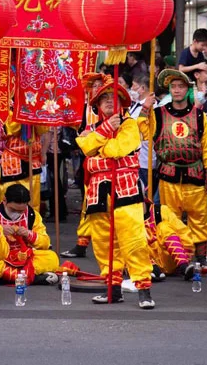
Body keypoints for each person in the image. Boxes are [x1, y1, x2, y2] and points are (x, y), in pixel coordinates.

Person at [77, 76, 155, 309]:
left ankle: (144, 289)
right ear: (97, 105)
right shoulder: (90, 128)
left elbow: (117, 149)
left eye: (115, 98)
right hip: (98, 195)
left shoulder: (130, 124)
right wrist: (104, 133)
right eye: (104, 99)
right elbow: (86, 148)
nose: (110, 103)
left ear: (122, 102)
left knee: (134, 241)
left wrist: (97, 151)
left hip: (126, 190)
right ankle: (113, 289)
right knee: (103, 244)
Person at [141, 69, 207, 273]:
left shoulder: (199, 116)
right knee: (170, 220)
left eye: (181, 86)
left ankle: (200, 259)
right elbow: (142, 131)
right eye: (173, 87)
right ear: (169, 90)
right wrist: (144, 110)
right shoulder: (158, 114)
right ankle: (178, 259)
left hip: (195, 175)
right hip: (168, 176)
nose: (177, 90)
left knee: (200, 219)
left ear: (187, 89)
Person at [61, 73, 106, 259]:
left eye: (99, 85)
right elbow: (78, 133)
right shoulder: (85, 108)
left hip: (112, 164)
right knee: (89, 203)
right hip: (92, 162)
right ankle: (82, 243)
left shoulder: (116, 110)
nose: (96, 89)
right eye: (93, 86)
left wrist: (93, 134)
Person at [0, 184, 60, 285]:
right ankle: (32, 277)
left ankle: (9, 277)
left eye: (21, 211)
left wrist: (29, 234)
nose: (17, 213)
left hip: (23, 256)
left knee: (52, 258)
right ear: (4, 200)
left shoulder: (32, 214)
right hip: (0, 257)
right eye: (13, 210)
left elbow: (45, 243)